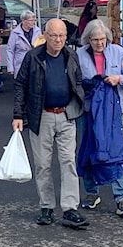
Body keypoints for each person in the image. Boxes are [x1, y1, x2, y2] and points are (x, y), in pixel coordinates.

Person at [12, 18, 88, 229]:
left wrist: (78, 99)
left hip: (66, 115)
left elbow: (78, 80)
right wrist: (18, 115)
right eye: (53, 35)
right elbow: (20, 85)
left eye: (62, 35)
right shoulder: (33, 57)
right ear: (45, 35)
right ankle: (46, 206)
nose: (58, 40)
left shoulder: (71, 55)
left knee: (68, 162)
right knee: (43, 164)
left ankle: (70, 207)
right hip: (41, 116)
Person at [75, 19, 123, 218]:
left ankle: (121, 198)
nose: (99, 44)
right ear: (88, 39)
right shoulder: (79, 54)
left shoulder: (118, 52)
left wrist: (119, 79)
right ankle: (91, 193)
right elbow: (75, 81)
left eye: (102, 39)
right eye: (95, 40)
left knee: (116, 152)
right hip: (88, 112)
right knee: (88, 149)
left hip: (113, 113)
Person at [6, 10, 41, 77]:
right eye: (31, 20)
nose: (33, 23)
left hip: (35, 62)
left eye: (34, 20)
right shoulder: (15, 33)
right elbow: (10, 50)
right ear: (23, 21)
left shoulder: (37, 31)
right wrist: (10, 67)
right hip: (20, 64)